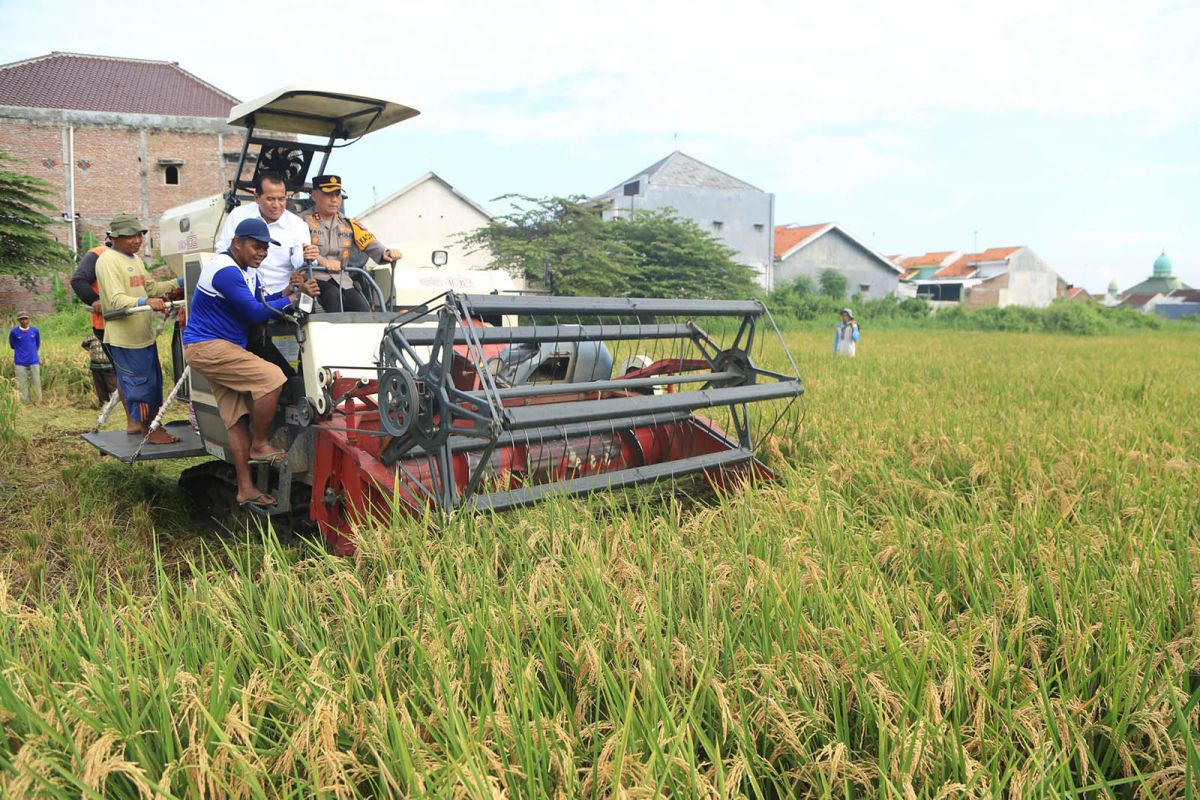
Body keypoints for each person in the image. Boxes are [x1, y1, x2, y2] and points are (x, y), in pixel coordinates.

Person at [183, 218, 318, 509]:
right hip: (208, 346)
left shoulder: (248, 273)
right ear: (237, 243)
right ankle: (260, 444)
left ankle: (245, 488)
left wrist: (285, 294)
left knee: (236, 419)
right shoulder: (225, 270)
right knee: (273, 378)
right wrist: (295, 299)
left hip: (221, 348)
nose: (262, 253)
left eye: (266, 248)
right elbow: (254, 314)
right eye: (257, 246)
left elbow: (262, 302)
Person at [216, 170, 319, 376]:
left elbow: (299, 261)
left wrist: (309, 256)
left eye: (281, 199)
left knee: (312, 331)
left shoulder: (297, 224)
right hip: (247, 294)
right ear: (256, 197)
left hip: (283, 293)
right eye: (270, 199)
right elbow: (222, 253)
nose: (277, 205)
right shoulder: (238, 217)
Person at [96, 213, 185, 444]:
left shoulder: (135, 260)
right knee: (139, 387)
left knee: (154, 384)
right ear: (114, 237)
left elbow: (152, 287)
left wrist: (181, 281)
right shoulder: (107, 262)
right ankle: (148, 429)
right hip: (125, 339)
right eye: (130, 236)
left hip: (143, 336)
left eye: (139, 235)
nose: (136, 240)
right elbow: (115, 300)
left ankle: (153, 425)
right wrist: (144, 302)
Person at [300, 175, 402, 312]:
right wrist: (322, 261)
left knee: (363, 309)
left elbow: (370, 242)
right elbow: (298, 248)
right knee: (332, 295)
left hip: (343, 279)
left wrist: (387, 252)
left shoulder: (349, 224)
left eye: (337, 195)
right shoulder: (300, 222)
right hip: (312, 278)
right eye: (328, 194)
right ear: (314, 195)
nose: (334, 199)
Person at [9, 311, 41, 404]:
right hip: (20, 362)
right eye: (22, 319)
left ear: (29, 319)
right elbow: (12, 345)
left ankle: (37, 401)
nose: (24, 321)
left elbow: (37, 344)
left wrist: (32, 353)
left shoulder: (35, 331)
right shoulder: (14, 332)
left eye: (25, 318)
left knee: (36, 382)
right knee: (22, 383)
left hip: (33, 361)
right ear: (18, 320)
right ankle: (25, 402)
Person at [82, 332, 118, 407]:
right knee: (100, 388)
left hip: (109, 366)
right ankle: (104, 404)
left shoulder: (112, 334)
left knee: (113, 387)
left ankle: (116, 405)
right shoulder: (92, 335)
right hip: (96, 366)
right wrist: (92, 351)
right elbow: (84, 344)